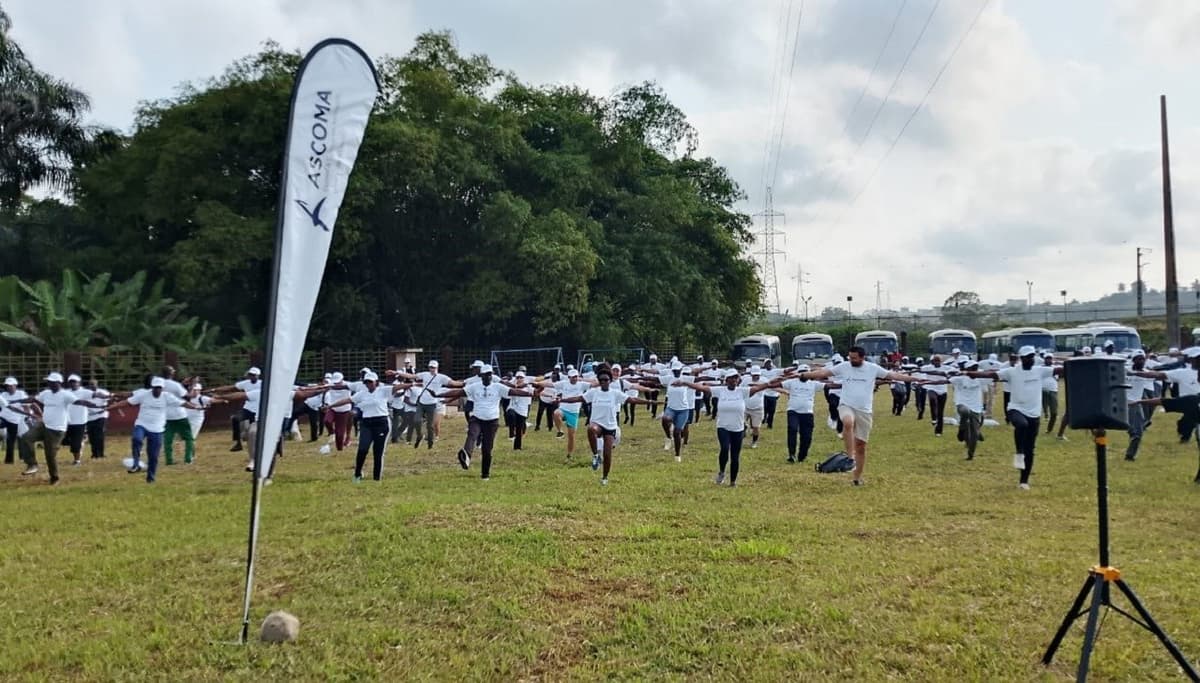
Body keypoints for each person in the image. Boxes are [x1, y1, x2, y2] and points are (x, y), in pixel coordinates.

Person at [797, 347, 925, 486]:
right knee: (848, 422)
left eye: (855, 358)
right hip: (846, 405)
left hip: (864, 410)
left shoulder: (873, 368)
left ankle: (857, 478)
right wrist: (806, 375)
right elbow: (823, 372)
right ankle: (850, 458)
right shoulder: (844, 366)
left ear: (862, 357)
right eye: (850, 357)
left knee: (861, 446)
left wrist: (914, 379)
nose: (852, 360)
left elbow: (894, 376)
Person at [969, 346, 1061, 490]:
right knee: (1022, 425)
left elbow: (1059, 370)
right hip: (1016, 409)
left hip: (1034, 414)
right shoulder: (1012, 372)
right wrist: (972, 373)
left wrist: (1078, 363)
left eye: (1032, 356)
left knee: (1030, 449)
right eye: (1027, 357)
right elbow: (991, 375)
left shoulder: (1040, 370)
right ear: (1021, 358)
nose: (1030, 359)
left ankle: (1023, 481)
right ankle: (1019, 451)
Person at [559, 365, 656, 485]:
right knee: (591, 429)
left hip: (610, 426)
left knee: (607, 454)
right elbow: (578, 398)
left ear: (610, 381)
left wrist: (650, 401)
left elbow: (632, 400)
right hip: (597, 424)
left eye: (606, 380)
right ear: (599, 381)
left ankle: (604, 477)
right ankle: (595, 455)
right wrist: (562, 400)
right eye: (601, 380)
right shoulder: (594, 392)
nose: (603, 382)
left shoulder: (615, 393)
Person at [438, 365, 533, 480]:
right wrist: (439, 395)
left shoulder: (498, 387)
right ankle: (466, 455)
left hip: (492, 421)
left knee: (487, 449)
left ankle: (485, 475)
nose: (488, 376)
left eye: (490, 374)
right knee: (472, 434)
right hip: (477, 418)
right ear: (481, 376)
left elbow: (514, 391)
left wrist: (529, 393)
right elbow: (458, 392)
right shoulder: (474, 387)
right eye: (486, 374)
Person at [679, 368, 771, 487]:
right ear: (727, 380)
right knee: (724, 448)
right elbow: (701, 388)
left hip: (738, 428)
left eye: (736, 378)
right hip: (723, 427)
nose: (734, 380)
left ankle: (733, 481)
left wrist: (773, 382)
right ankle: (722, 471)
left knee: (735, 455)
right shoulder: (720, 390)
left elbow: (760, 387)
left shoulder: (743, 391)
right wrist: (685, 383)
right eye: (731, 378)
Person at [15, 372, 106, 485]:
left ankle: (54, 477)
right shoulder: (46, 393)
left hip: (57, 429)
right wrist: (16, 401)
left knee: (50, 455)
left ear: (58, 383)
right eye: (48, 382)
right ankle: (32, 464)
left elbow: (80, 402)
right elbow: (33, 399)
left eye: (51, 382)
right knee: (26, 438)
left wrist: (96, 406)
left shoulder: (65, 395)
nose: (49, 384)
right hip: (44, 424)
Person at [105, 377, 195, 484]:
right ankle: (136, 464)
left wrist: (196, 407)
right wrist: (111, 407)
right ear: (152, 387)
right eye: (155, 388)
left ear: (162, 388)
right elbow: (127, 402)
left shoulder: (167, 396)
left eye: (159, 388)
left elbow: (182, 403)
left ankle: (150, 478)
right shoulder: (144, 395)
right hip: (142, 424)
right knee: (137, 439)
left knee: (153, 456)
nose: (157, 390)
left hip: (157, 428)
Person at [326, 371, 397, 482]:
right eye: (366, 382)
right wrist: (331, 406)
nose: (368, 384)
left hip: (381, 423)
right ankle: (357, 474)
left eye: (370, 382)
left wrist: (411, 383)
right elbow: (348, 400)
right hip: (367, 423)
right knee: (362, 449)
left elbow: (398, 387)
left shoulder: (383, 390)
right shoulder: (362, 393)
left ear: (376, 382)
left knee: (378, 452)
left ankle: (376, 478)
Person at [768, 364, 819, 463]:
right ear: (798, 373)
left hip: (807, 413)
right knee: (792, 429)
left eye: (806, 372)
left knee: (807, 436)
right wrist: (786, 377)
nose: (804, 374)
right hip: (793, 411)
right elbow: (773, 385)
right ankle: (791, 454)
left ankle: (802, 455)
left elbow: (831, 385)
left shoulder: (814, 384)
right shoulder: (791, 382)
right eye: (801, 372)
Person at [209, 367, 261, 451]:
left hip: (259, 410)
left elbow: (238, 395)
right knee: (236, 419)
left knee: (253, 431)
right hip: (248, 408)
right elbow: (230, 388)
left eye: (254, 375)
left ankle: (257, 445)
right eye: (250, 375)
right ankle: (238, 443)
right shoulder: (246, 383)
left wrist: (220, 396)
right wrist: (214, 389)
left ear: (258, 376)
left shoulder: (262, 385)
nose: (252, 377)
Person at [1120, 350, 1157, 462]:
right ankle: (1130, 455)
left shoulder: (1146, 373)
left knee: (1138, 431)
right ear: (1134, 360)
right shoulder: (1125, 370)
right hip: (1125, 403)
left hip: (1136, 404)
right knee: (1136, 432)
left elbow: (1157, 375)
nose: (1141, 361)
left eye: (1143, 359)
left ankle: (1130, 454)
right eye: (1139, 359)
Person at [160, 366, 197, 466]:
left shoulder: (159, 384)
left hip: (166, 415)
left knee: (168, 439)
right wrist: (193, 385)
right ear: (171, 373)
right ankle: (188, 459)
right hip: (179, 413)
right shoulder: (175, 385)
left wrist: (182, 384)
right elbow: (189, 395)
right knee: (189, 438)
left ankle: (169, 460)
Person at [657, 362, 693, 462]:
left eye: (678, 370)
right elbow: (653, 379)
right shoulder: (669, 378)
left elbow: (701, 379)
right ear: (672, 371)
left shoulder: (685, 379)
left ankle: (677, 455)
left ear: (681, 370)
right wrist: (638, 379)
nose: (677, 372)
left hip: (683, 410)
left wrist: (717, 380)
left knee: (677, 432)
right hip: (671, 408)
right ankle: (668, 437)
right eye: (675, 370)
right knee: (665, 419)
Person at [62, 374, 93, 466]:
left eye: (74, 382)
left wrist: (109, 395)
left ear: (78, 383)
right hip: (67, 421)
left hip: (80, 421)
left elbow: (95, 394)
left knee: (75, 444)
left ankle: (77, 460)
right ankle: (81, 441)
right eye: (71, 382)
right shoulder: (65, 392)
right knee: (64, 441)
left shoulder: (84, 392)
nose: (73, 384)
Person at [323, 372, 354, 451]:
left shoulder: (348, 385)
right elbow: (320, 388)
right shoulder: (331, 385)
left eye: (338, 382)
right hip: (332, 408)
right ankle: (331, 432)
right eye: (335, 382)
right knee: (327, 421)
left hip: (344, 410)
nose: (336, 384)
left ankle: (339, 449)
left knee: (340, 434)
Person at [920, 357, 952, 436]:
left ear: (941, 362)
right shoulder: (928, 367)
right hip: (931, 388)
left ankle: (938, 431)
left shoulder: (946, 367)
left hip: (943, 390)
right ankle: (934, 418)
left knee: (940, 412)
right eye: (935, 361)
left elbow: (954, 371)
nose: (937, 363)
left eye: (938, 361)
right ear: (932, 362)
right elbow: (919, 369)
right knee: (932, 399)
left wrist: (949, 374)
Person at [2, 376, 28, 464]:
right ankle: (9, 460)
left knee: (13, 439)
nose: (9, 387)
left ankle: (16, 459)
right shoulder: (3, 395)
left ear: (15, 385)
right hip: (3, 418)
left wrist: (27, 416)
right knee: (10, 439)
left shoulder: (21, 394)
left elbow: (26, 406)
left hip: (16, 419)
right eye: (7, 386)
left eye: (11, 385)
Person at [84, 377, 110, 459]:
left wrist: (104, 407)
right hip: (90, 417)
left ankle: (101, 453)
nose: (92, 386)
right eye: (90, 384)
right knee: (92, 436)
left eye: (93, 384)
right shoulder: (86, 393)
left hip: (101, 415)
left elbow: (109, 399)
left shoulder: (103, 392)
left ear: (97, 385)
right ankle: (94, 453)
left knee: (99, 435)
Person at [1041, 353, 1060, 434]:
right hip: (1043, 390)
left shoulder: (1056, 368)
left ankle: (1049, 429)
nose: (1048, 360)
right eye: (1047, 358)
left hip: (1053, 390)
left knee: (1054, 412)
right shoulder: (1041, 368)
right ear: (1044, 359)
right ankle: (1045, 415)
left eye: (1050, 358)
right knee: (1043, 407)